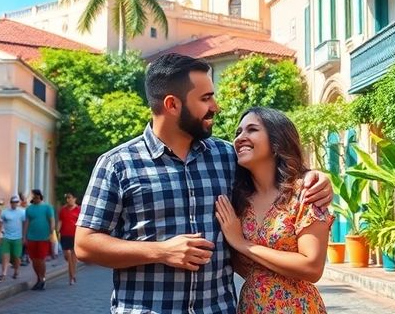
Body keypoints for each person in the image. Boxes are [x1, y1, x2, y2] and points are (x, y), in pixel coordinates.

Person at [75, 53, 333, 313]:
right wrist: (160, 251)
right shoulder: (118, 164)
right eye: (206, 98)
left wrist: (317, 177)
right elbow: (85, 244)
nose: (215, 106)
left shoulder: (227, 158)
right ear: (172, 104)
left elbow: (275, 173)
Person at [215, 107, 331, 313]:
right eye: (238, 132)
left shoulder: (305, 193)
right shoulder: (239, 201)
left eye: (252, 129)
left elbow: (312, 268)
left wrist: (243, 244)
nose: (240, 137)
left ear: (277, 141)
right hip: (252, 305)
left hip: (297, 307)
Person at [23, 188, 56, 291]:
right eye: (33, 197)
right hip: (31, 237)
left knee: (41, 259)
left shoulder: (47, 207)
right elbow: (27, 223)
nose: (35, 199)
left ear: (40, 197)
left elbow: (52, 221)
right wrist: (24, 236)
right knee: (34, 259)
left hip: (44, 237)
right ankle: (38, 278)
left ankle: (42, 279)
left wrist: (51, 233)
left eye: (36, 197)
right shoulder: (29, 209)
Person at [0, 194, 27, 280]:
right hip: (6, 237)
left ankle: (16, 270)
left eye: (16, 202)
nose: (15, 204)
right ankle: (4, 273)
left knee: (16, 257)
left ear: (18, 203)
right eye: (13, 202)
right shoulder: (5, 212)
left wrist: (24, 237)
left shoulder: (22, 212)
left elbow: (25, 224)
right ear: (10, 203)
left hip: (18, 238)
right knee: (5, 255)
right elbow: (0, 224)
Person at [57, 192, 81, 285]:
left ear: (74, 199)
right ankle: (72, 275)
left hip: (75, 235)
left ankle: (72, 276)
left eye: (70, 198)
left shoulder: (79, 210)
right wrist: (57, 231)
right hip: (65, 235)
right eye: (67, 198)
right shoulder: (63, 210)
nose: (68, 200)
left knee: (73, 256)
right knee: (67, 255)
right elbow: (60, 221)